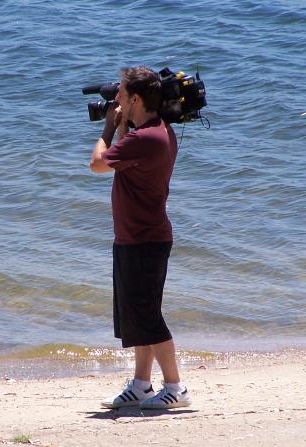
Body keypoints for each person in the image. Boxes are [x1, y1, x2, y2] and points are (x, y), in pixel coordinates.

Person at [89, 66, 191, 410]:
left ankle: (176, 387)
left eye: (120, 92)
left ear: (134, 99)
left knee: (147, 317)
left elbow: (97, 164)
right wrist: (122, 125)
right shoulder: (154, 132)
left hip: (144, 239)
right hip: (136, 236)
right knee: (138, 317)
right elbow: (122, 158)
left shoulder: (146, 138)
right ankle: (141, 384)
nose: (115, 97)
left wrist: (108, 127)